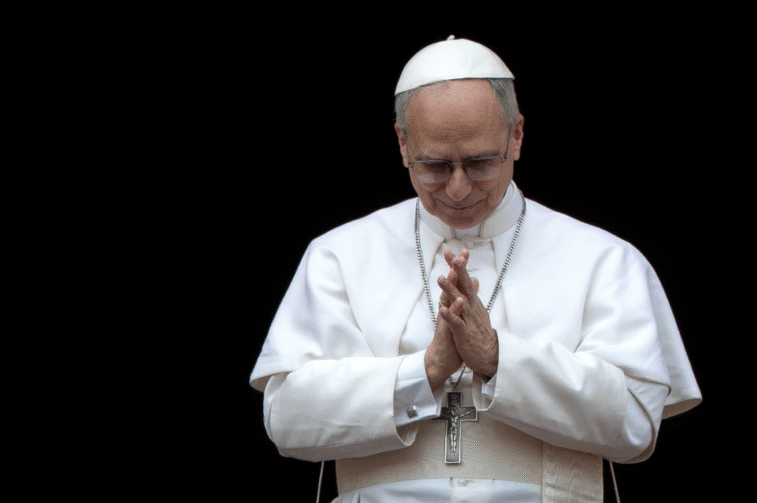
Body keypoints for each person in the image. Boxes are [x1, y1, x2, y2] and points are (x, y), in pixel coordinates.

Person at [250, 36, 702, 502]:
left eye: (481, 162)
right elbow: (286, 420)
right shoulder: (338, 256)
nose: (458, 189)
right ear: (403, 143)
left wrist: (497, 358)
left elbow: (636, 426)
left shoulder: (604, 259)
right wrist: (425, 372)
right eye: (435, 166)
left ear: (516, 135)